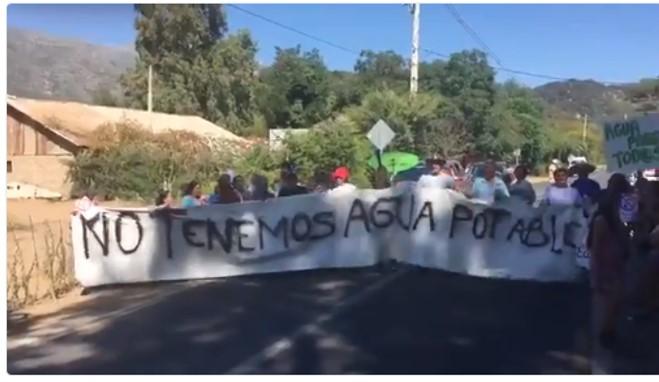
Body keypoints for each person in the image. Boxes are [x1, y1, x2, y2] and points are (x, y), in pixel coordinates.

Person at [588, 173, 633, 350]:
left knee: (616, 300)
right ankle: (604, 335)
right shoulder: (602, 219)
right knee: (607, 301)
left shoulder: (619, 215)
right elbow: (596, 249)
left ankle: (608, 332)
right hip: (606, 266)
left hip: (617, 263)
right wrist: (595, 274)